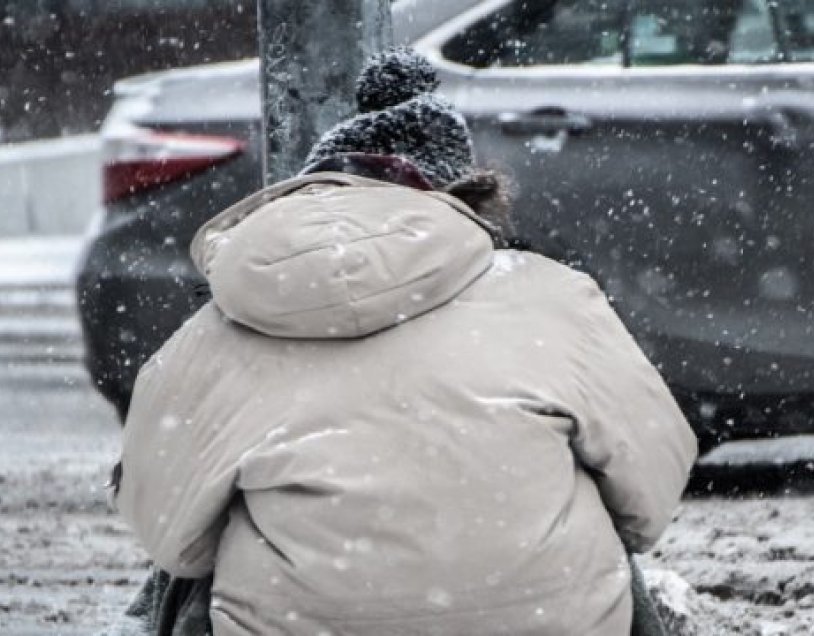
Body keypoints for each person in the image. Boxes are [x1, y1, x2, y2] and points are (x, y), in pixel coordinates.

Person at [115, 47, 697, 636]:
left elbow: (166, 531)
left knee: (187, 567)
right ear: (468, 198)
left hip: (295, 622)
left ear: (310, 194)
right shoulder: (552, 295)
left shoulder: (220, 326)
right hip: (546, 622)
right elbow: (651, 497)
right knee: (599, 513)